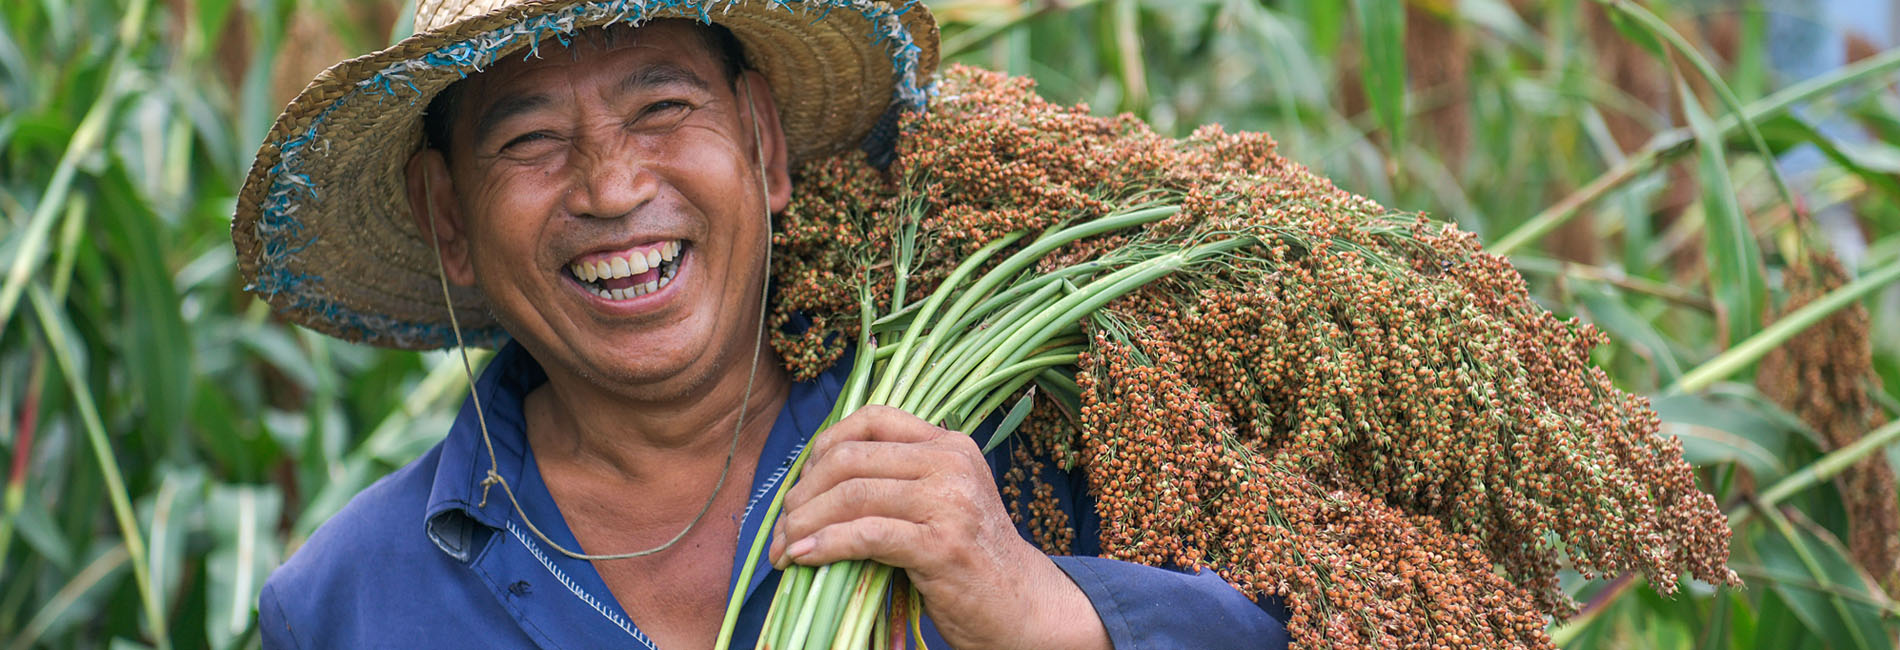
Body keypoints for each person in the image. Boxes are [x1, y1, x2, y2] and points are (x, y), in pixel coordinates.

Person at [234, 1, 1291, 647]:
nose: (611, 186)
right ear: (447, 218)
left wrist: (1050, 614)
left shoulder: (1011, 447)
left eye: (663, 109)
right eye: (530, 142)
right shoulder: (347, 601)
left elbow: (1372, 611)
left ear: (764, 146)